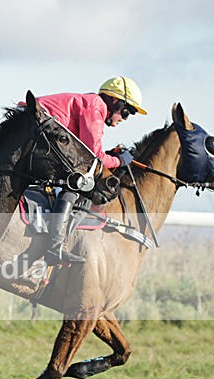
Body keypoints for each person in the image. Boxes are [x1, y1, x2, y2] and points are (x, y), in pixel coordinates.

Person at [35, 76, 147, 264]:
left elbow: (90, 154)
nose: (124, 119)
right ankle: (55, 248)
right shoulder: (95, 107)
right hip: (37, 130)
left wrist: (112, 157)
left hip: (39, 129)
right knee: (81, 187)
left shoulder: (93, 106)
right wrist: (119, 161)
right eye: (126, 113)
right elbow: (94, 157)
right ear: (114, 101)